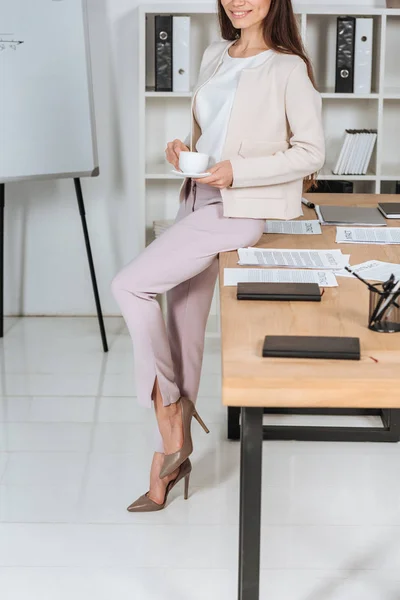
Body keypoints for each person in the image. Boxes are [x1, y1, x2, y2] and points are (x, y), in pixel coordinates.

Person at [111, 0, 325, 512]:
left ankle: (168, 417)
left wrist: (237, 171)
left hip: (238, 208)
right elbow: (217, 129)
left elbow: (312, 151)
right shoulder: (214, 53)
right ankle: (176, 452)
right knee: (184, 327)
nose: (238, 0)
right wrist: (187, 152)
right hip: (197, 197)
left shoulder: (288, 67)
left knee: (130, 285)